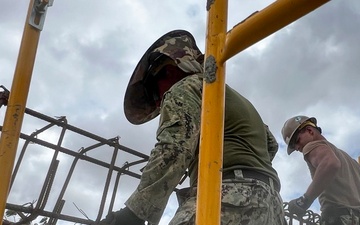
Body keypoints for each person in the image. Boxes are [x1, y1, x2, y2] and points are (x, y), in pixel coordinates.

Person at [101, 29, 285, 225]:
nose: (157, 103)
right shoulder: (228, 96)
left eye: (155, 93)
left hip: (230, 198)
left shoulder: (186, 86)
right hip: (272, 206)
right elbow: (271, 145)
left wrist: (134, 213)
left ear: (169, 71)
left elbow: (174, 149)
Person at [281, 115, 360, 224]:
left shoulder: (311, 146)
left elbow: (330, 163)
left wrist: (304, 200)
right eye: (294, 147)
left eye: (297, 141)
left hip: (339, 218)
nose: (298, 148)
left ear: (309, 130)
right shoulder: (349, 160)